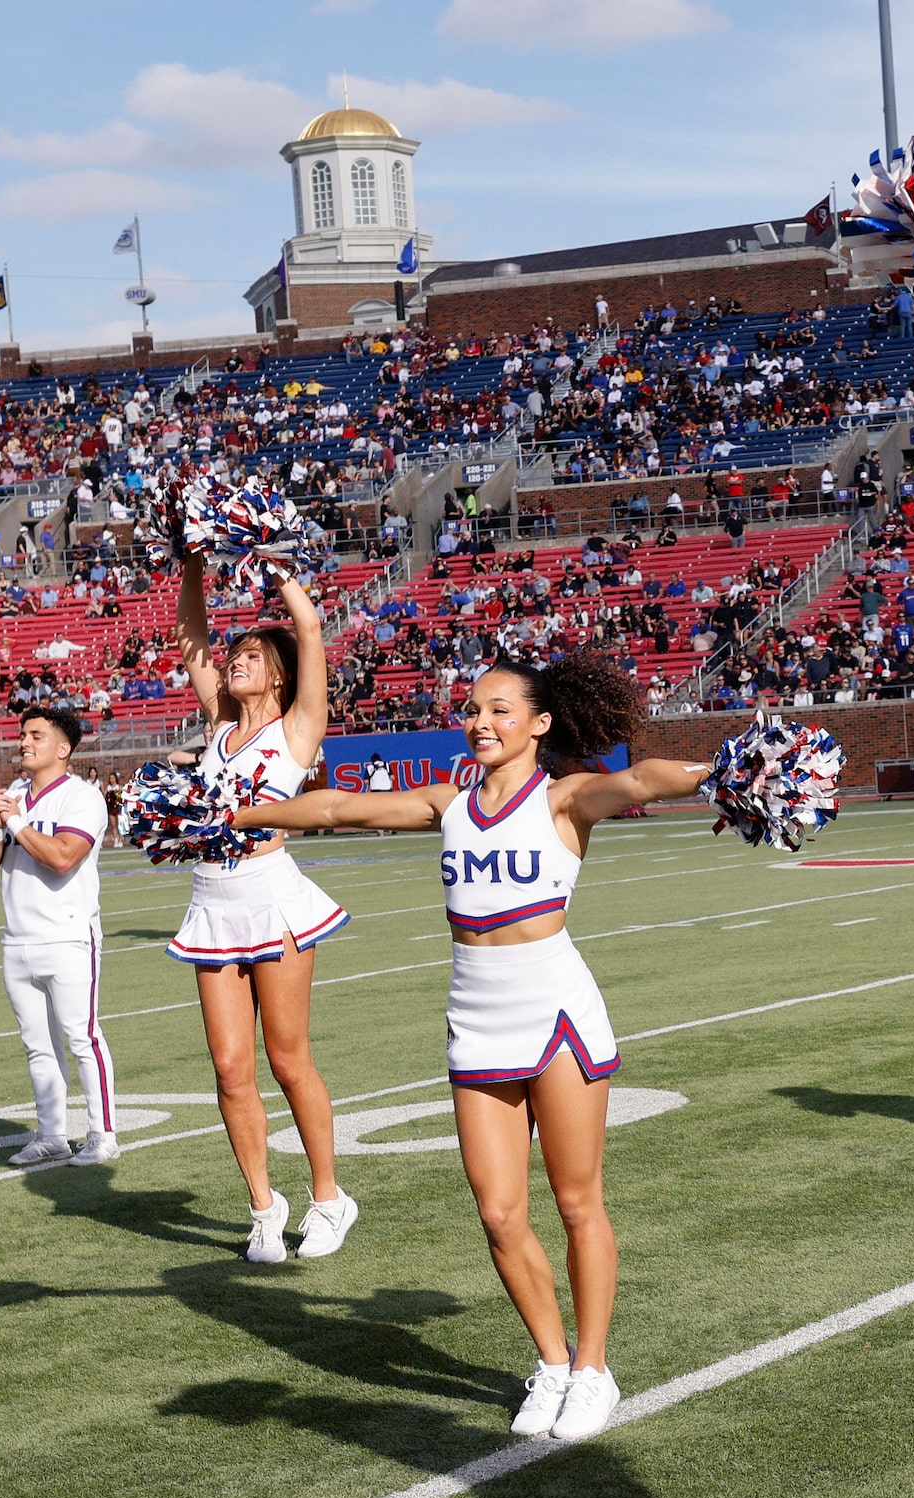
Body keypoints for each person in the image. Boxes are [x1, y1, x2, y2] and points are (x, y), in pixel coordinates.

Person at [231, 652, 726, 1445]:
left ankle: (595, 1368)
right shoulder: (448, 805)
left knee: (575, 1202)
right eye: (473, 708)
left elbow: (641, 782)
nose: (481, 722)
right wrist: (239, 817)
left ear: (539, 724)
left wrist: (723, 768)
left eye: (501, 710)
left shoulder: (565, 800)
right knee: (498, 1214)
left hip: (557, 1012)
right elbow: (345, 810)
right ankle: (554, 1362)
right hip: (476, 1018)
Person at [170, 551, 355, 1265]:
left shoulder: (297, 726)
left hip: (273, 896)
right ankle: (261, 1208)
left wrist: (271, 558)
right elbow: (190, 637)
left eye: (249, 655)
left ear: (276, 673)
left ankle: (329, 1198)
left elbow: (309, 629)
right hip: (213, 901)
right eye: (233, 655)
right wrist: (191, 564)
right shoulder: (220, 724)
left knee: (287, 1058)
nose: (234, 662)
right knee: (227, 1067)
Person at [0, 706, 120, 1166]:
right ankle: (52, 1133)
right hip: (17, 938)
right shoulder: (12, 796)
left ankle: (103, 1133)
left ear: (63, 748)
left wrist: (14, 823)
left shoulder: (82, 796)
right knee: (38, 1044)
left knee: (82, 1037)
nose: (24, 742)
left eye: (36, 734)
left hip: (69, 936)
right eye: (22, 734)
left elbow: (62, 858)